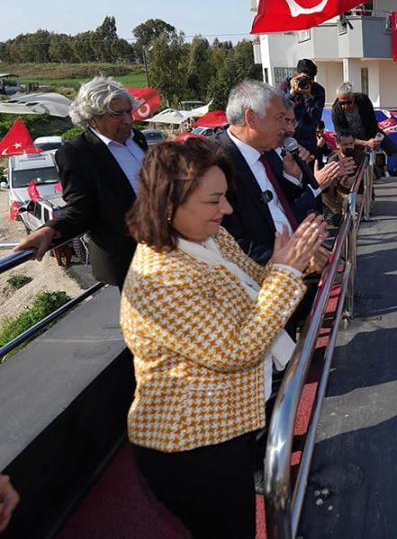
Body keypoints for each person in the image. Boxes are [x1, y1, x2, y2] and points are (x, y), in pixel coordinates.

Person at [120, 138, 325, 537]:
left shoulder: (208, 239)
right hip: (189, 445)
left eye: (225, 198)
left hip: (225, 427)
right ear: (168, 204)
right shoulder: (160, 278)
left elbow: (254, 289)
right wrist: (286, 274)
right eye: (214, 201)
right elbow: (238, 349)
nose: (227, 210)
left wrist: (286, 265)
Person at [14, 76, 148, 287]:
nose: (128, 120)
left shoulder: (136, 138)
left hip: (163, 250)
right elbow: (80, 207)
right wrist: (50, 229)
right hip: (129, 260)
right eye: (117, 114)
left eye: (128, 111)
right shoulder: (76, 153)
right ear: (92, 118)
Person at [218, 80, 348, 264]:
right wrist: (292, 262)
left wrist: (292, 177)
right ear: (252, 119)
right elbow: (232, 244)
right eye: (281, 118)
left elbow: (283, 205)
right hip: (272, 277)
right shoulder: (216, 164)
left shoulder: (270, 151)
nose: (289, 129)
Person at [278, 58, 326, 154]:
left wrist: (308, 96)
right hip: (288, 140)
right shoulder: (286, 85)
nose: (306, 82)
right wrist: (292, 93)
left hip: (308, 141)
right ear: (296, 74)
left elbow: (316, 117)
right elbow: (280, 111)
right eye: (303, 78)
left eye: (310, 80)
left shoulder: (318, 90)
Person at [330, 83, 383, 153]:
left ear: (353, 98)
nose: (345, 106)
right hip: (350, 144)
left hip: (369, 136)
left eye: (349, 102)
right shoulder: (336, 111)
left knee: (391, 149)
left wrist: (374, 140)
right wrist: (366, 143)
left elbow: (373, 123)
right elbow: (342, 137)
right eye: (342, 103)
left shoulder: (364, 100)